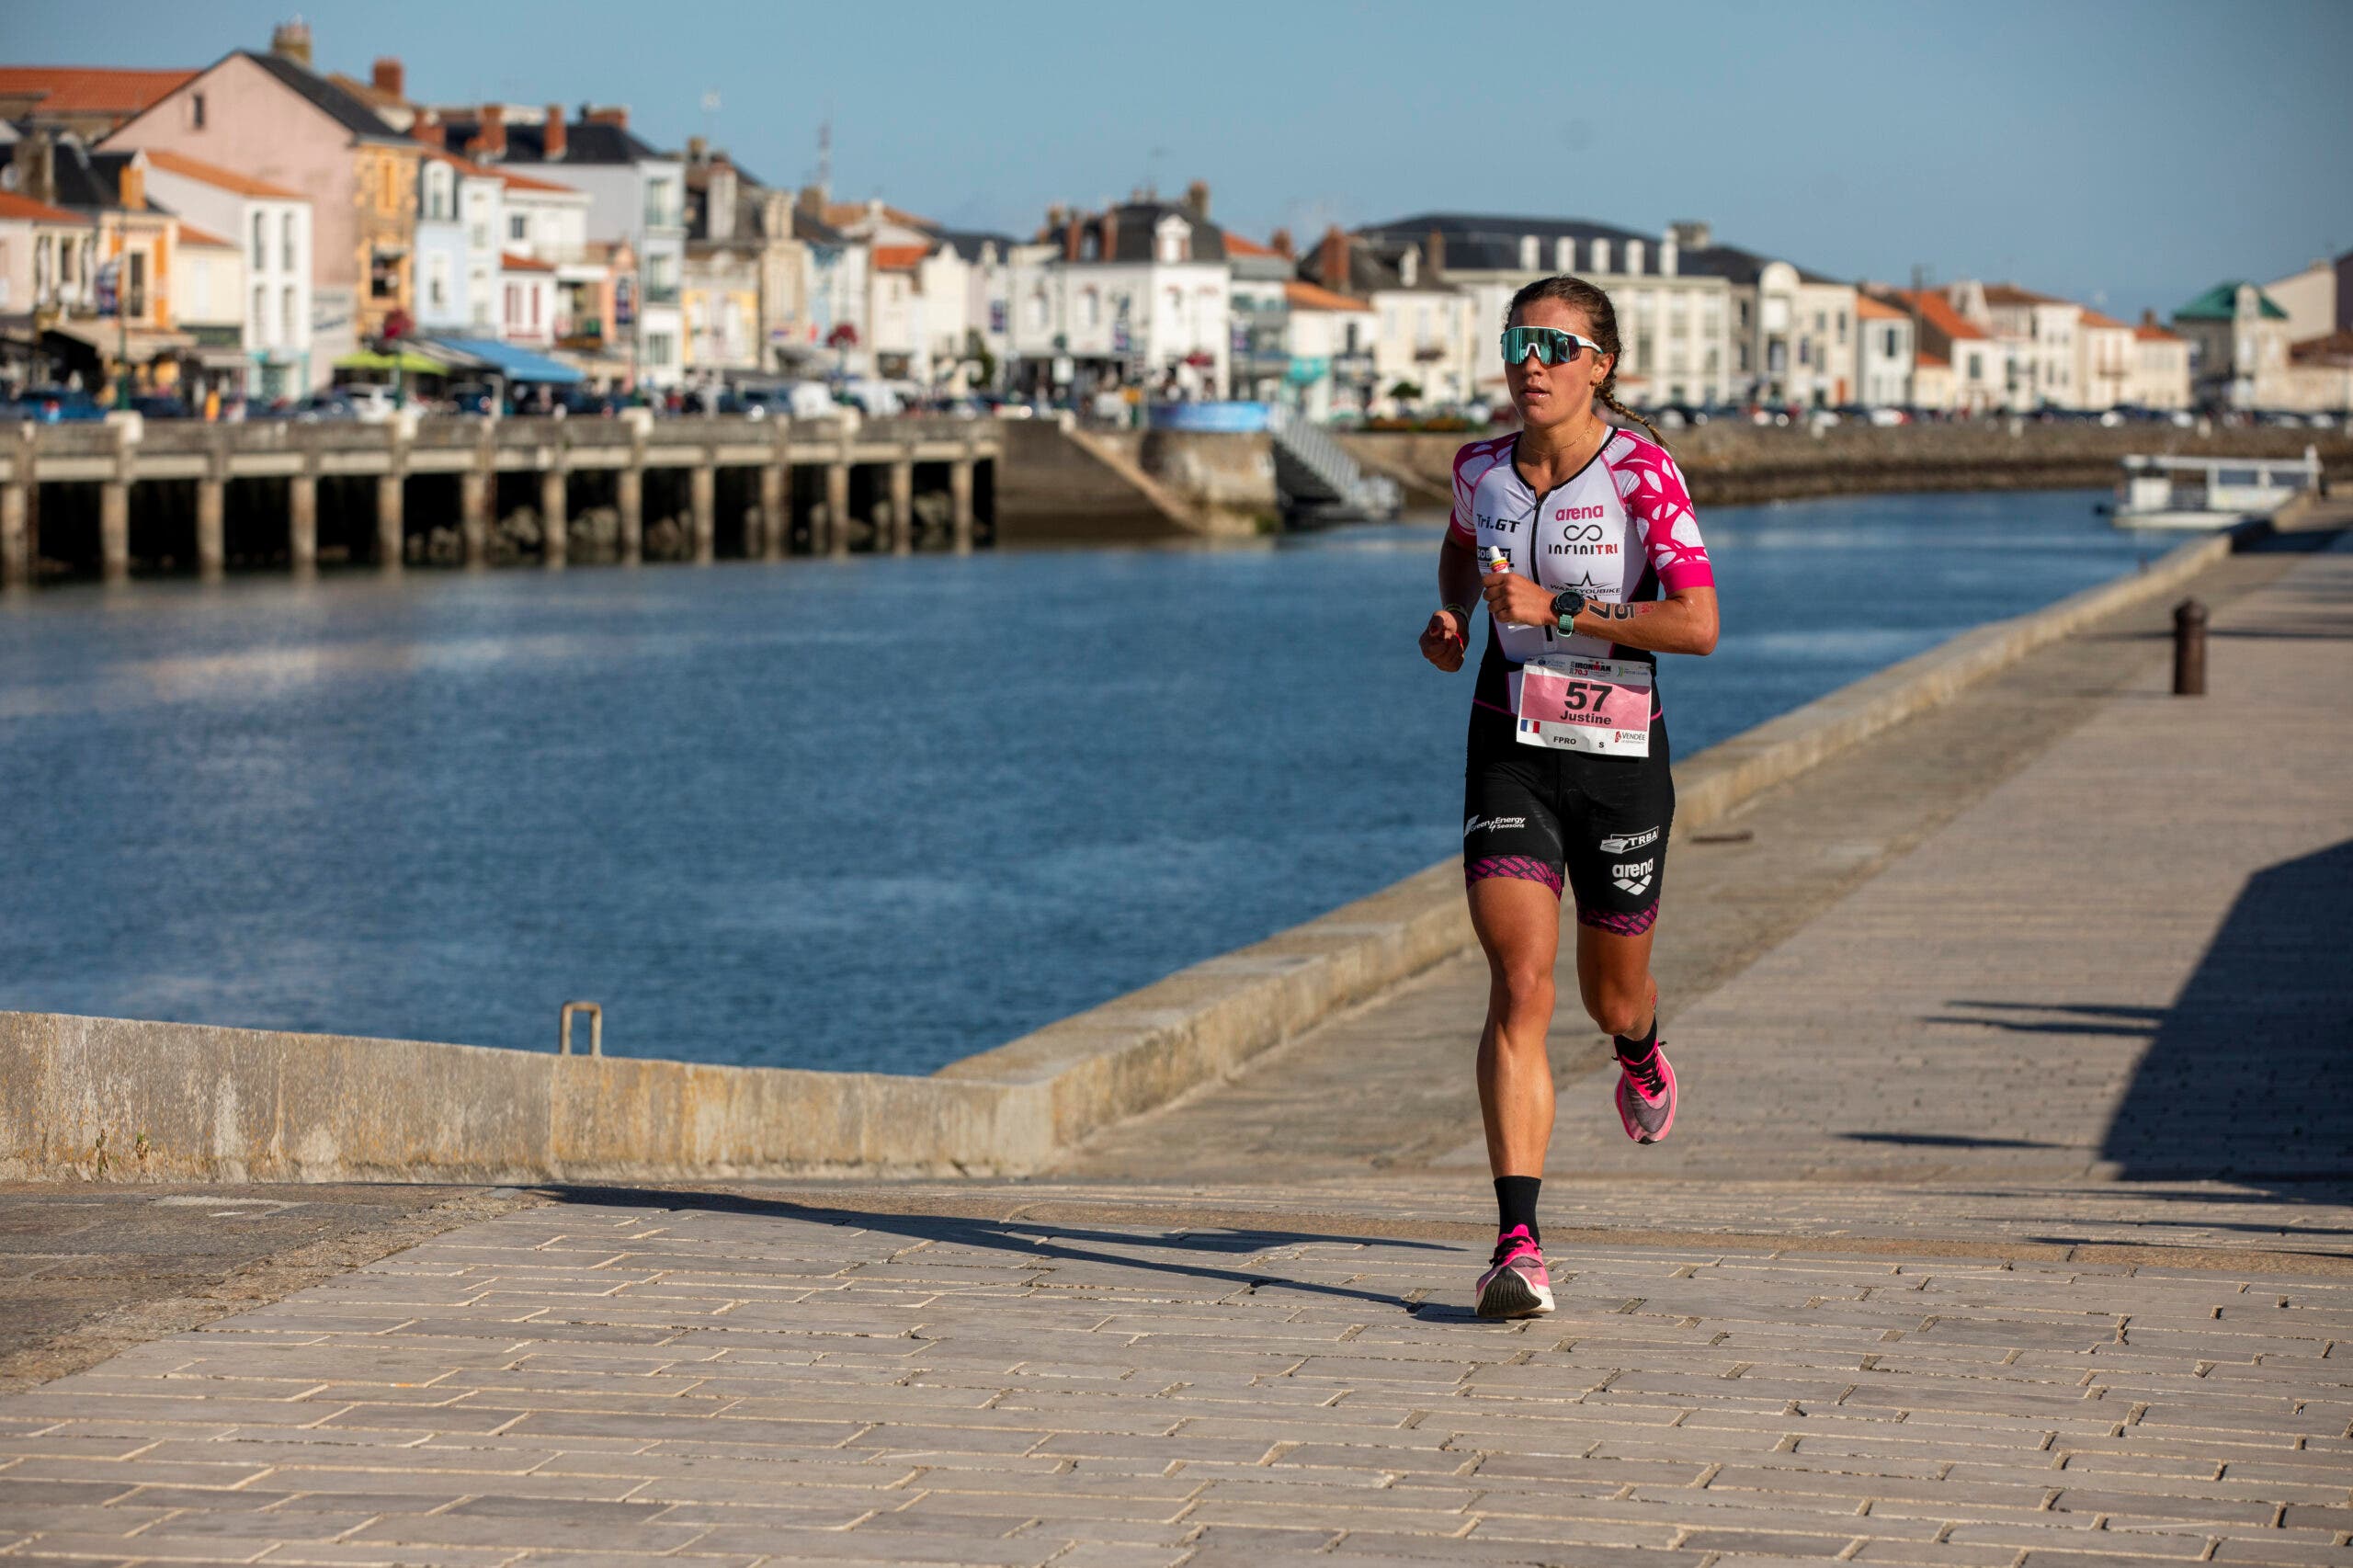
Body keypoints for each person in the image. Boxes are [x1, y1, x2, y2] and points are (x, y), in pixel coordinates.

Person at [1417, 276, 1720, 1319]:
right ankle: (1517, 1243)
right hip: (1508, 737)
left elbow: (1696, 625)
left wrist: (1567, 607)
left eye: (1555, 344)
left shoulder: (1641, 474)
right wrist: (1452, 615)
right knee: (1520, 978)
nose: (1531, 362)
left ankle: (1639, 1048)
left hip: (1618, 750)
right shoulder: (1478, 469)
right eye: (1517, 342)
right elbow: (1463, 546)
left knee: (1609, 992)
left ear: (1600, 364)